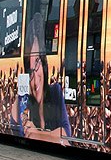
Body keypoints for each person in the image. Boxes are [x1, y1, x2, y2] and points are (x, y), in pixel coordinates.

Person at [11, 12, 71, 142]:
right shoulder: (23, 102)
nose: (35, 76)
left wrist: (38, 134)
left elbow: (66, 134)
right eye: (30, 70)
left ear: (43, 63)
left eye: (37, 61)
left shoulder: (55, 91)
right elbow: (17, 125)